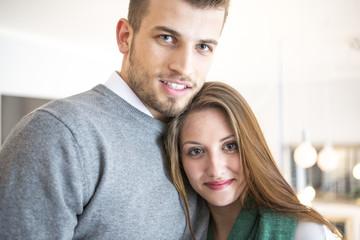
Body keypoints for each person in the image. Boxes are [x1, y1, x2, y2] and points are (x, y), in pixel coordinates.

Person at [0, 0, 230, 239]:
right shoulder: (58, 134)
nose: (184, 67)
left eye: (203, 46)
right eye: (167, 38)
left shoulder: (203, 140)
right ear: (125, 37)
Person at [164, 81, 344, 240]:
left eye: (230, 146)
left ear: (251, 147)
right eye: (196, 151)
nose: (215, 169)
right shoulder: (177, 230)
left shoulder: (305, 232)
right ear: (179, 161)